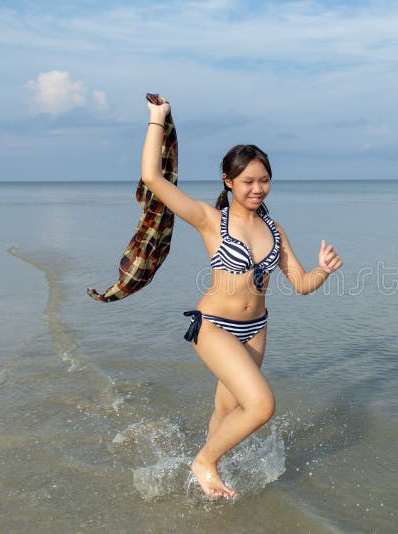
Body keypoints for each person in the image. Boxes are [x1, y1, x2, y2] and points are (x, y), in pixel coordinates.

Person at [140, 96, 343, 499]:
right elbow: (153, 179)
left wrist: (323, 270)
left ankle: (199, 484)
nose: (257, 188)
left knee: (228, 411)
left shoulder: (274, 226)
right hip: (213, 326)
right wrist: (157, 119)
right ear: (228, 181)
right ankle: (205, 462)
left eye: (263, 180)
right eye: (248, 181)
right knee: (262, 405)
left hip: (254, 330)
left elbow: (300, 284)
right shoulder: (210, 219)